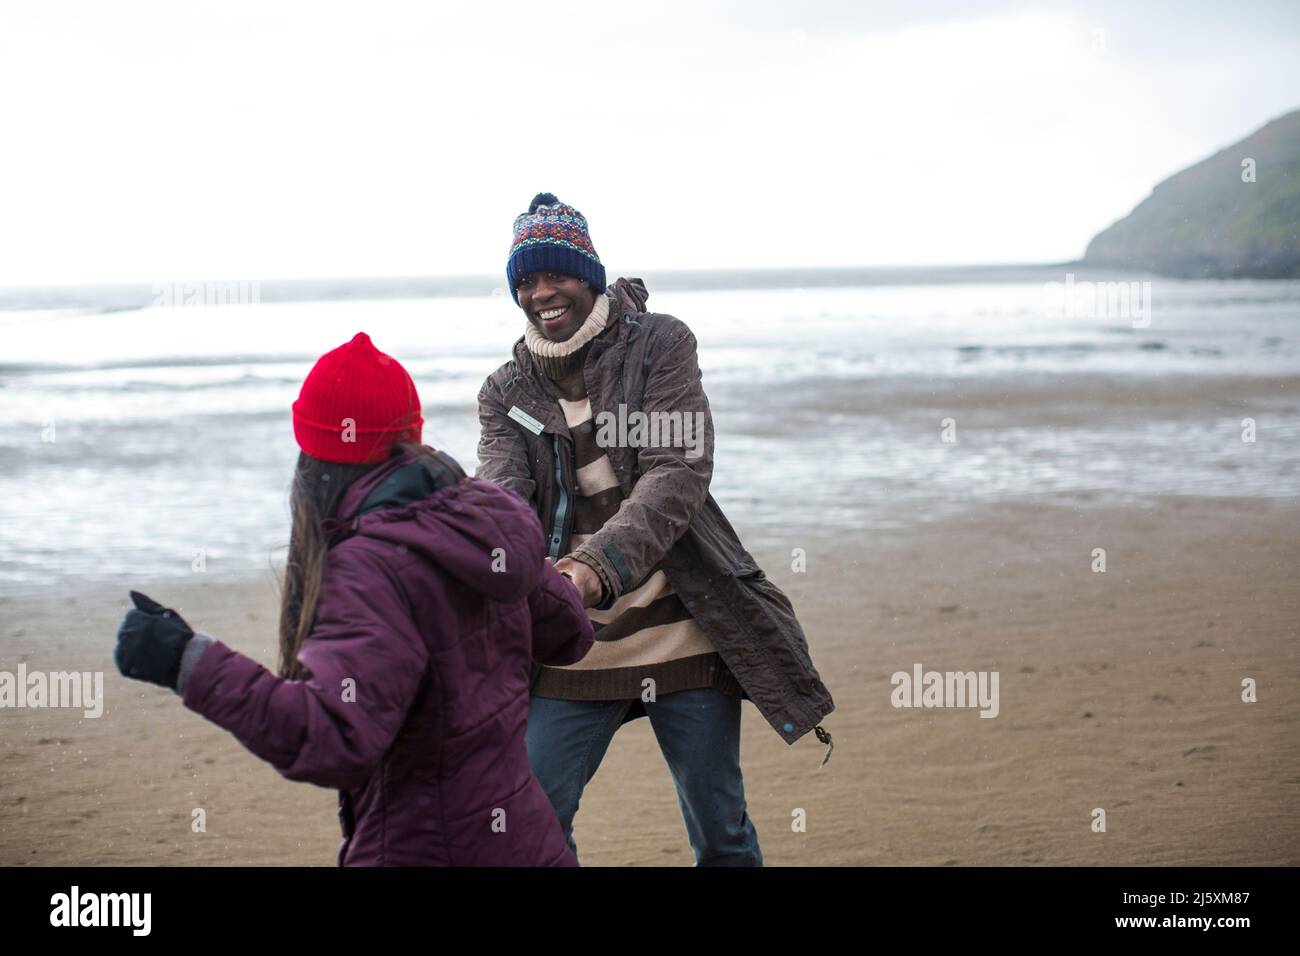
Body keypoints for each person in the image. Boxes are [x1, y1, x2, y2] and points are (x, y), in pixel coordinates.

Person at [113, 331, 594, 866]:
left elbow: (335, 736)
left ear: (317, 457)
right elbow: (569, 631)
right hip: (526, 841)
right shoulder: (488, 521)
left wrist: (187, 660)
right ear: (411, 435)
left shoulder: (366, 567)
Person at [476, 193, 836, 867]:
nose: (540, 292)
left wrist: (595, 567)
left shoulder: (660, 345)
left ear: (589, 275)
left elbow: (676, 475)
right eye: (525, 279)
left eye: (554, 273)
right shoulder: (506, 391)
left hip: (684, 632)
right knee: (533, 823)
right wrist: (479, 560)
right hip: (571, 643)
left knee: (720, 831)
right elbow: (503, 497)